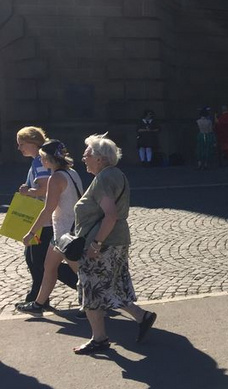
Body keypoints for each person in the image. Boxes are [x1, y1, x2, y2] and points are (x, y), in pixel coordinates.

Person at [72, 133, 157, 354]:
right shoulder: (117, 175)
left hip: (103, 242)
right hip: (118, 240)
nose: (83, 158)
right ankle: (142, 316)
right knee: (113, 285)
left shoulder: (102, 179)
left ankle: (99, 338)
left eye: (87, 154)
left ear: (100, 158)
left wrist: (96, 243)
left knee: (92, 289)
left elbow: (109, 215)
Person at [15, 140, 84, 315]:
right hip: (66, 229)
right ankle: (38, 303)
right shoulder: (72, 173)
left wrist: (31, 232)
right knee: (49, 267)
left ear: (49, 159)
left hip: (65, 233)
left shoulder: (56, 178)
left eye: (43, 158)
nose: (42, 162)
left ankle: (97, 304)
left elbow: (48, 209)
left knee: (83, 273)